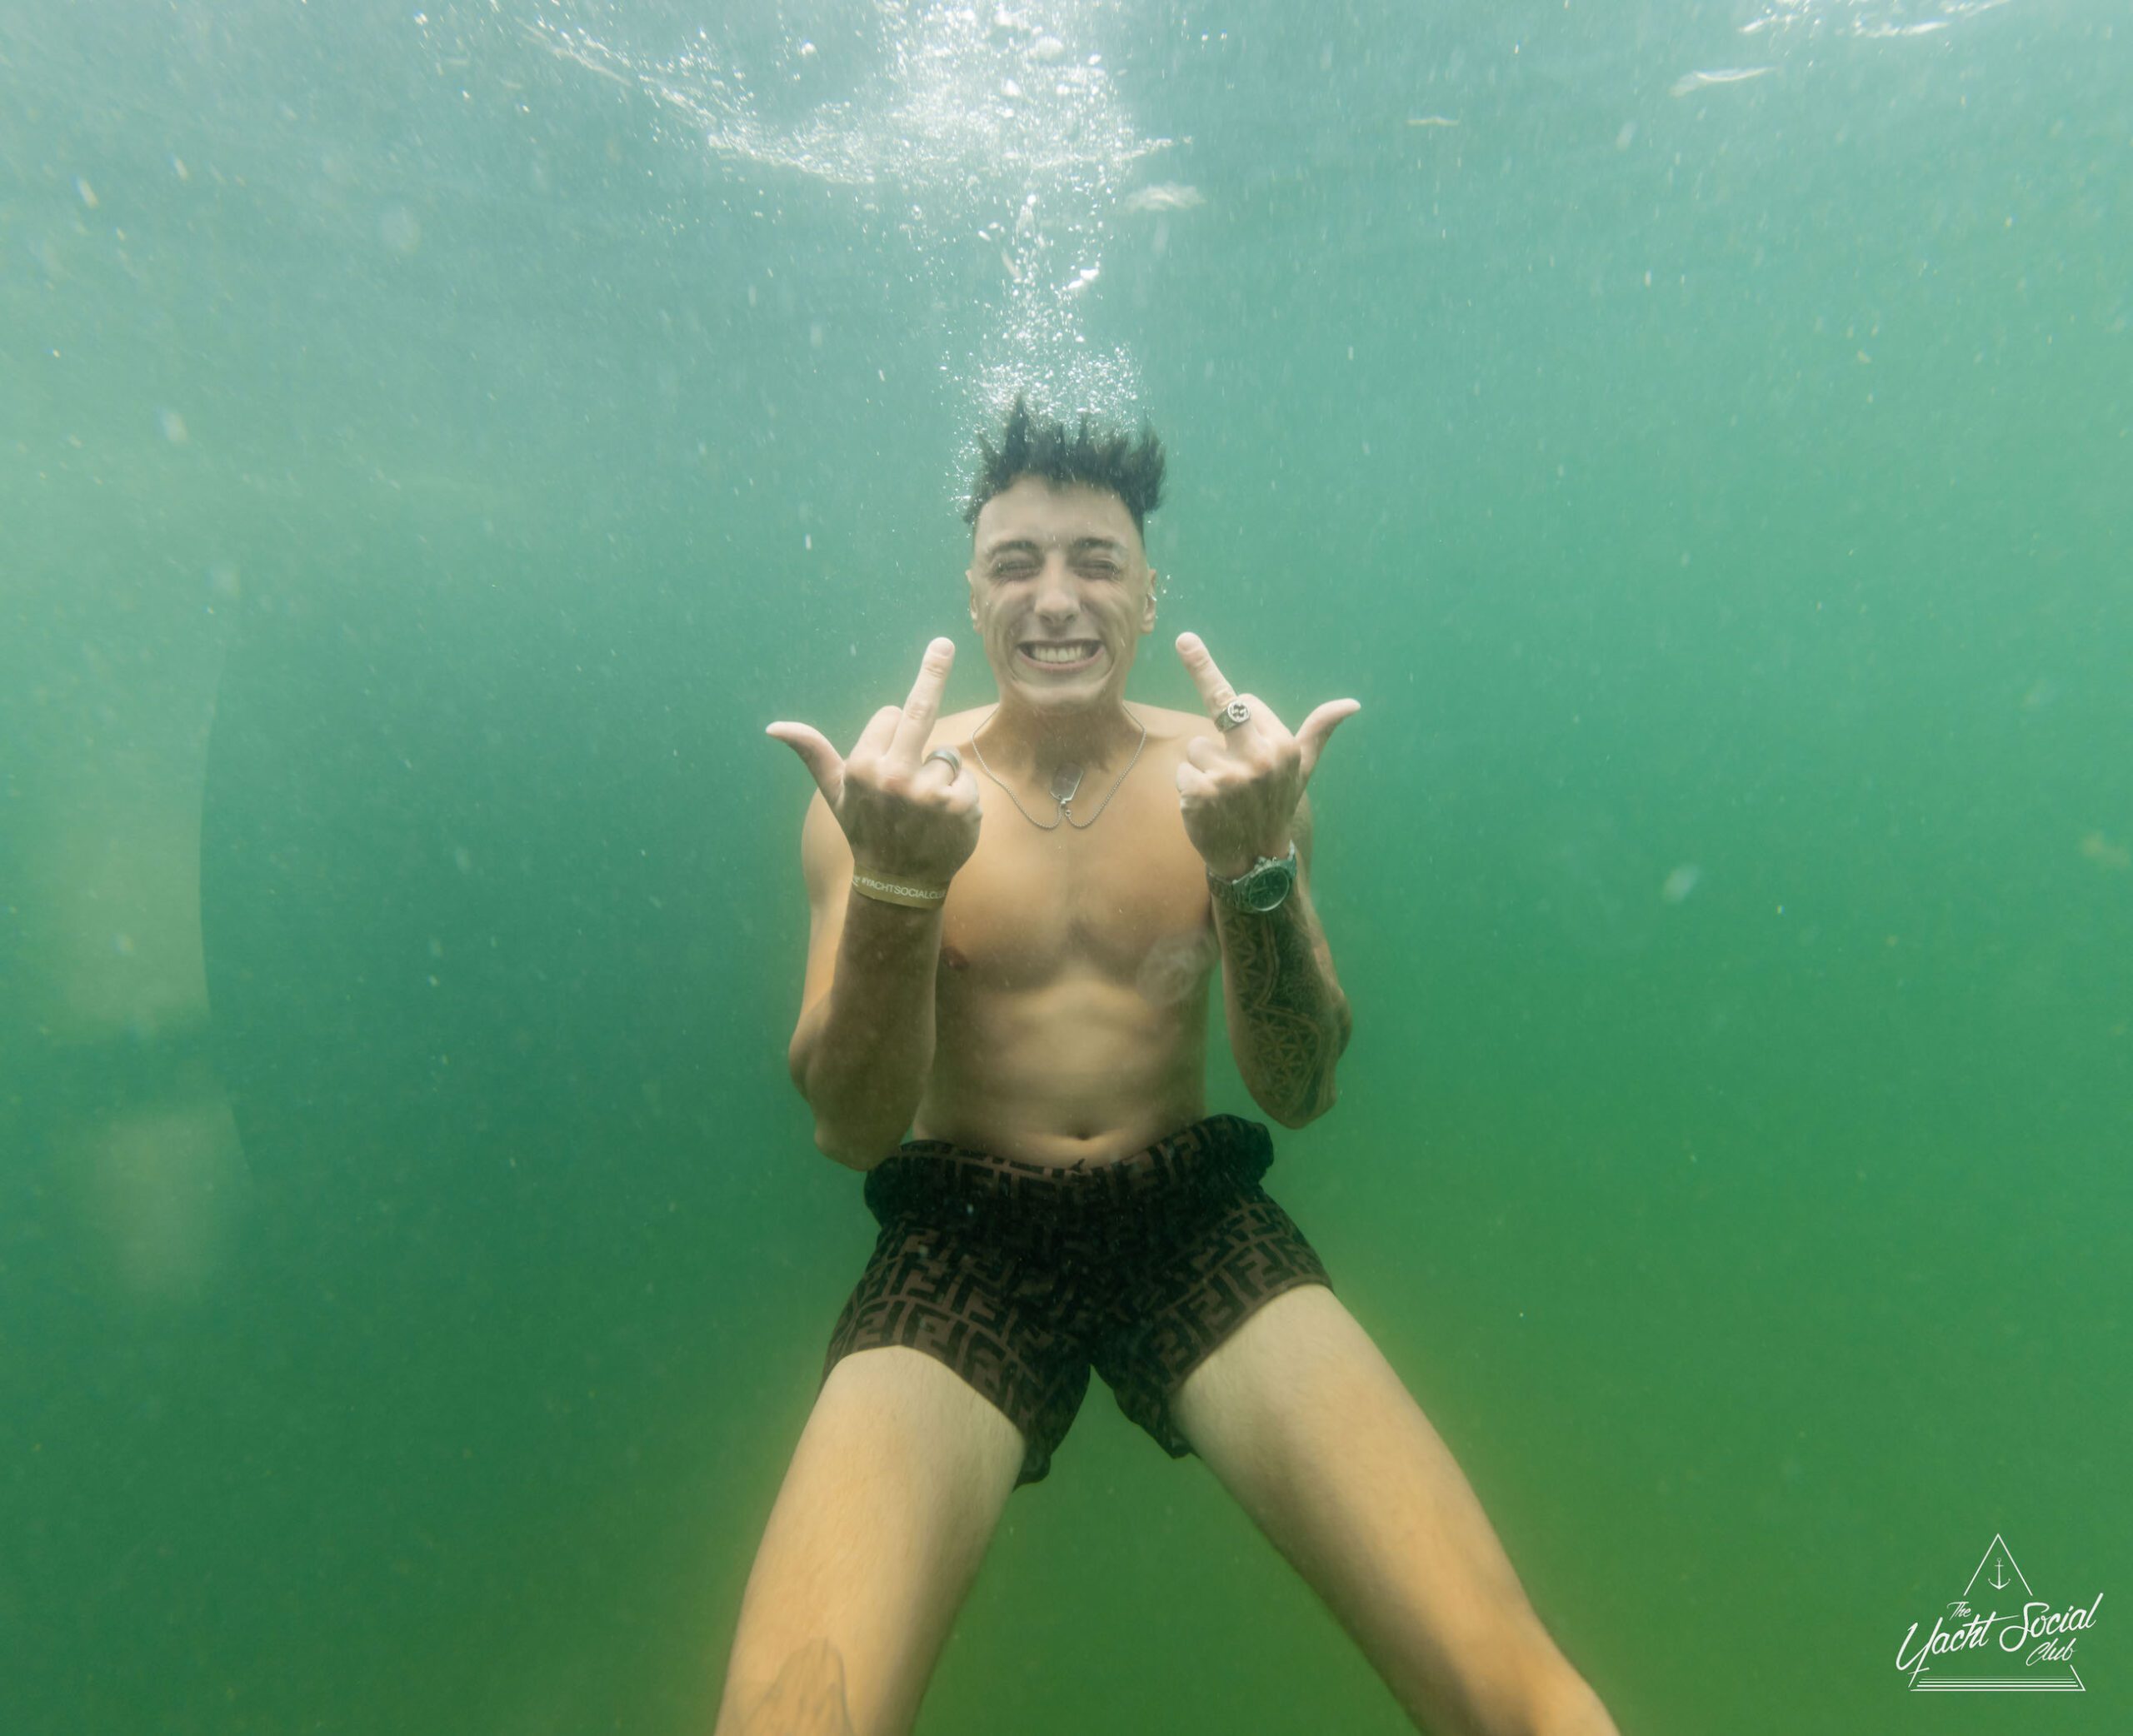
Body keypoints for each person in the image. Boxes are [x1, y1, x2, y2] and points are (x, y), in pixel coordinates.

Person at [721, 400, 1621, 1736]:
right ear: (970, 591)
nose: (1056, 600)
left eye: (1094, 560)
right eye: (1016, 563)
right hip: (960, 1231)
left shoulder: (1235, 781)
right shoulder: (884, 797)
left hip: (1189, 1214)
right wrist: (899, 884)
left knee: (1513, 1688)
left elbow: (1299, 1090)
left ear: (1150, 589)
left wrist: (1255, 871)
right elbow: (855, 1129)